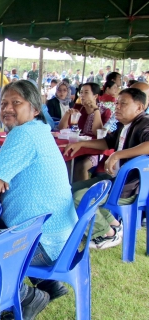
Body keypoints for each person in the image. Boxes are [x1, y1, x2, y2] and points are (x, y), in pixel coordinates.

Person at [0, 80, 77, 320]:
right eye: (3, 103)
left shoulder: (23, 135)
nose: (7, 108)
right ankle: (49, 284)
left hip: (44, 241)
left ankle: (27, 296)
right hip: (62, 234)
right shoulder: (38, 130)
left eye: (16, 102)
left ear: (35, 108)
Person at [65, 87, 149, 249]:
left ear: (139, 107)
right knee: (68, 190)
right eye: (117, 103)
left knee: (80, 197)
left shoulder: (144, 123)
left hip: (128, 186)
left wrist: (118, 155)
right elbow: (107, 142)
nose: (117, 107)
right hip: (115, 179)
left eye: (123, 104)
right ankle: (114, 224)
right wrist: (82, 143)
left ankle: (106, 234)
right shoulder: (124, 125)